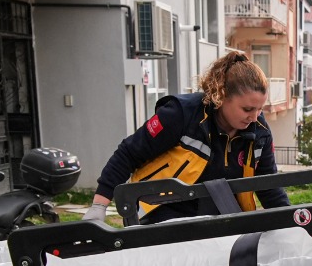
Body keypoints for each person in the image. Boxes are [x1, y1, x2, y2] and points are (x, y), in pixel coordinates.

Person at [85, 50, 289, 224]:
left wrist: (291, 223)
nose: (254, 117)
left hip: (219, 214)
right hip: (161, 209)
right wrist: (98, 207)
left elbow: (269, 186)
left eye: (260, 109)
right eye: (247, 109)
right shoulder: (180, 115)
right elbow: (128, 153)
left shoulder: (259, 132)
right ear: (222, 95)